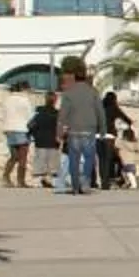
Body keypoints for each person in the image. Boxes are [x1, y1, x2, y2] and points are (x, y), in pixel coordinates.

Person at [56, 61, 105, 193]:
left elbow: (62, 114)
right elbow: (100, 111)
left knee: (74, 158)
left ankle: (75, 186)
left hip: (74, 130)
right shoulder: (93, 92)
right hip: (89, 130)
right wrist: (103, 130)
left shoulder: (68, 93)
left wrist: (59, 132)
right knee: (89, 158)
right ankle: (86, 183)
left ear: (74, 78)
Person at [1, 82, 36, 187]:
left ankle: (6, 176)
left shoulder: (7, 100)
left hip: (9, 129)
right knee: (22, 157)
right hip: (22, 129)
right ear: (24, 89)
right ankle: (21, 181)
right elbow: (30, 117)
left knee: (14, 156)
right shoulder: (25, 100)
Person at [25, 92, 62, 190]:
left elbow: (30, 125)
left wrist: (33, 134)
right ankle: (51, 181)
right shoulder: (57, 114)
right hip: (53, 142)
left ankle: (38, 181)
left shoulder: (39, 113)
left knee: (40, 162)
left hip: (40, 141)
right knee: (52, 164)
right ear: (55, 101)